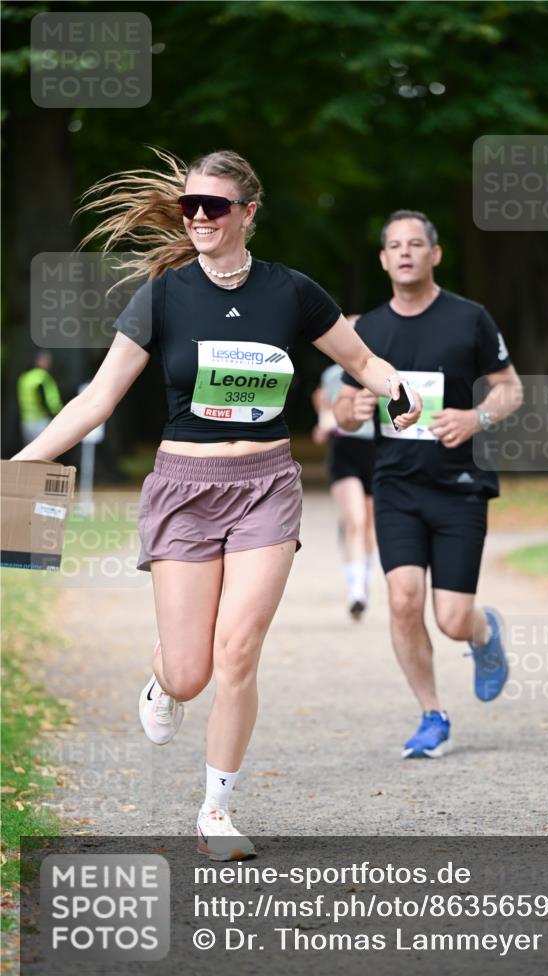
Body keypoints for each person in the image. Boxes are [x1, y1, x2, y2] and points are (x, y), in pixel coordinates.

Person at [10, 149, 421, 860]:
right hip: (183, 491)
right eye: (189, 206)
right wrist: (22, 464)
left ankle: (216, 810)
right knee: (192, 670)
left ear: (247, 215)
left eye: (214, 206)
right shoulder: (163, 296)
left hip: (265, 486)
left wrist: (397, 386)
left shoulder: (291, 292)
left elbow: (361, 360)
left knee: (237, 653)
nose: (198, 216)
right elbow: (98, 398)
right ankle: (164, 680)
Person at [334, 210, 523, 760]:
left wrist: (475, 419)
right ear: (384, 259)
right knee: (401, 599)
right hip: (395, 485)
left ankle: (484, 633)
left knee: (451, 618)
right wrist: (355, 406)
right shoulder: (365, 330)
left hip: (460, 485)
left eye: (417, 243)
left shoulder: (470, 319)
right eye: (395, 245)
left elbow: (510, 390)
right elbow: (344, 410)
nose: (406, 253)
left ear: (435, 254)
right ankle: (432, 715)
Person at [312, 344, 376, 620]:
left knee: (370, 524)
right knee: (356, 520)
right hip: (345, 450)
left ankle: (363, 577)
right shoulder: (332, 375)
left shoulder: (379, 373)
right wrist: (323, 425)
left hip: (378, 452)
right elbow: (326, 410)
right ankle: (356, 592)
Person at [17, 350, 63, 445]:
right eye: (47, 360)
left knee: (31, 453)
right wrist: (60, 415)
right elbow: (50, 402)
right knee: (48, 453)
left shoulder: (24, 377)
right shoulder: (42, 377)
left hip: (26, 421)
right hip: (42, 421)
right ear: (39, 361)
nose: (49, 363)